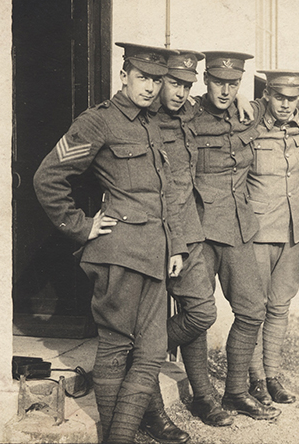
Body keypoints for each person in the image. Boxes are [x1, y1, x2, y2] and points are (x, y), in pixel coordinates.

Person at [34, 43, 190, 444]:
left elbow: (163, 191)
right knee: (117, 347)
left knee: (152, 350)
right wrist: (80, 226)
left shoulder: (150, 121)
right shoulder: (98, 122)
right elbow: (48, 178)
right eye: (143, 78)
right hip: (119, 253)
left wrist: (175, 246)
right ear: (124, 76)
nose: (152, 87)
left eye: (157, 80)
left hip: (154, 252)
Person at [190, 51, 281, 421]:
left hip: (238, 227)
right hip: (197, 231)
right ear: (205, 80)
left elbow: (279, 97)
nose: (225, 91)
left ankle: (235, 391)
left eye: (233, 84)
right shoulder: (188, 114)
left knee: (252, 310)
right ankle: (202, 397)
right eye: (218, 82)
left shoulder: (248, 111)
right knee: (197, 315)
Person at [156, 49, 234, 428]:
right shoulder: (143, 119)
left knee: (200, 312)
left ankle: (202, 396)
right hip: (151, 237)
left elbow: (242, 106)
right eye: (173, 82)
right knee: (152, 319)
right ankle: (156, 404)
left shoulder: (191, 113)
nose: (180, 92)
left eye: (187, 85)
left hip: (188, 235)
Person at [245, 70, 299, 406]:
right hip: (257, 232)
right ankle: (255, 378)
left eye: (292, 98)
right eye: (279, 97)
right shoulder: (250, 124)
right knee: (255, 308)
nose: (286, 105)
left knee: (280, 306)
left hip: (291, 232)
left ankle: (273, 374)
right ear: (267, 95)